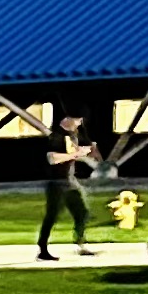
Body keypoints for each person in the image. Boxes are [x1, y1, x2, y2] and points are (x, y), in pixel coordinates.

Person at [39, 107, 97, 259]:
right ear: (69, 119)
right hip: (57, 183)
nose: (79, 124)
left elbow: (70, 153)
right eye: (78, 120)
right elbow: (52, 158)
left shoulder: (72, 134)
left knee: (82, 212)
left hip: (70, 181)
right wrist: (77, 153)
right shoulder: (57, 136)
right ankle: (43, 249)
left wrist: (82, 152)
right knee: (52, 216)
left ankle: (80, 243)